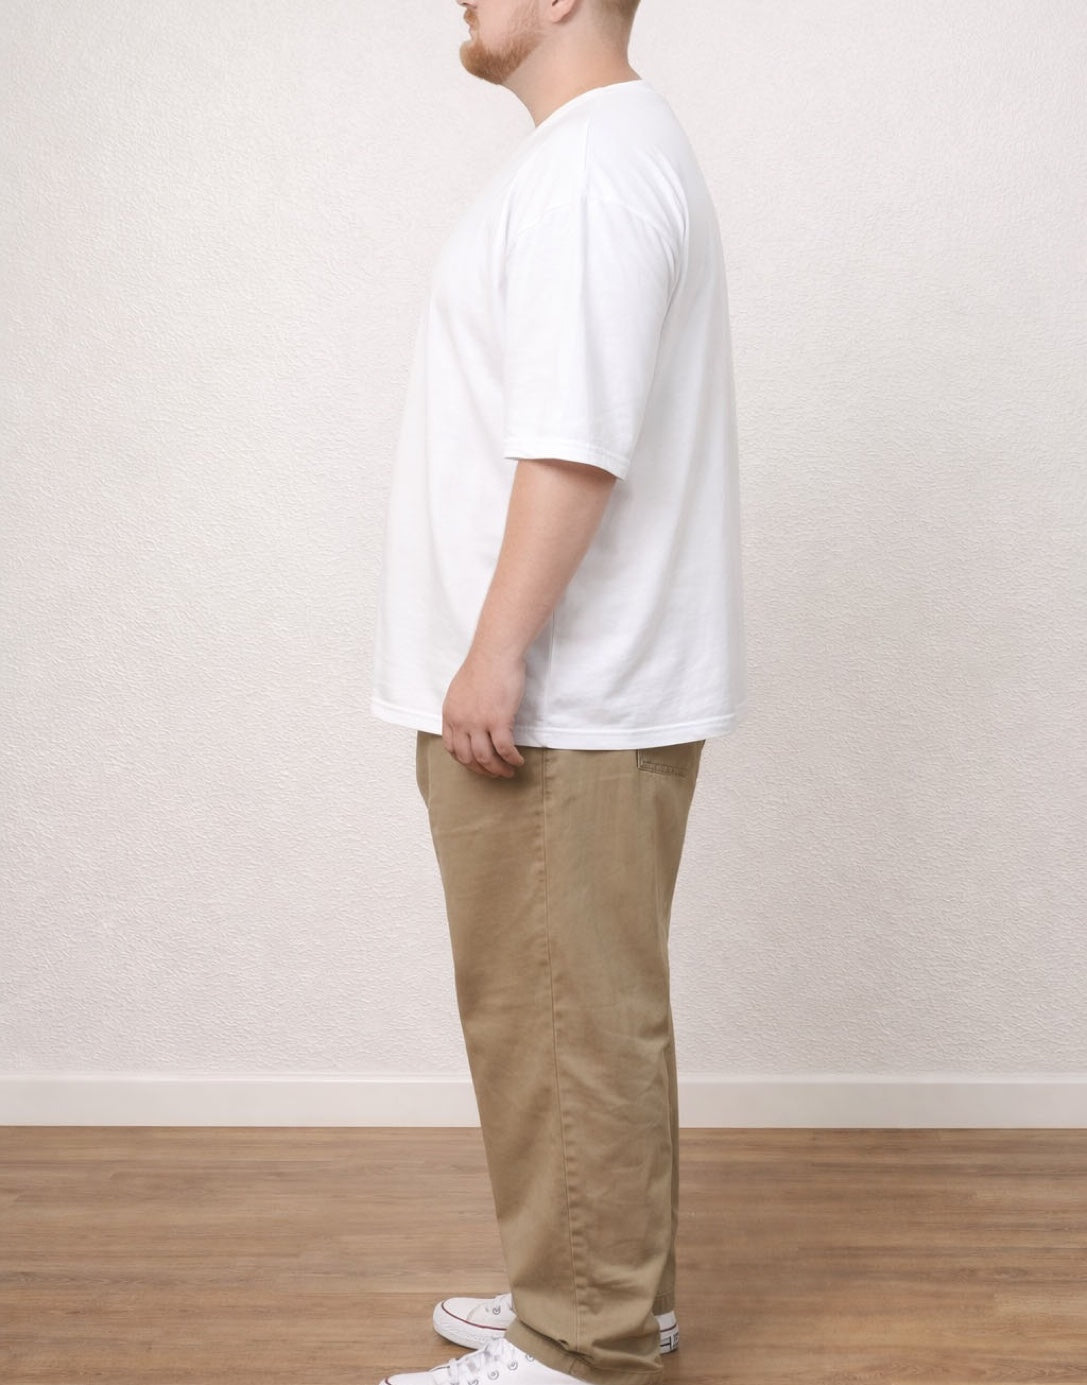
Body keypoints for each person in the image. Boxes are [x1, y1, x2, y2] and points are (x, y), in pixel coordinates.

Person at [370, 1, 746, 1382]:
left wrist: (497, 650)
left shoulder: (593, 167)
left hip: (558, 697)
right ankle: (603, 1295)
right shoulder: (597, 154)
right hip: (573, 690)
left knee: (561, 1016)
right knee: (572, 1008)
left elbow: (573, 443)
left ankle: (582, 1339)